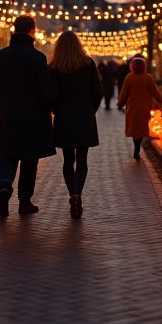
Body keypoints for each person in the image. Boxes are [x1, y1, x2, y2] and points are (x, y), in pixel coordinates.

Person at [0, 15, 56, 218]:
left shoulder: (1, 56)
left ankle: (5, 185)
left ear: (14, 30)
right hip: (34, 118)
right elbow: (45, 90)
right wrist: (49, 106)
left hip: (9, 115)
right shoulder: (38, 58)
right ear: (32, 32)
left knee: (7, 155)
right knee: (29, 160)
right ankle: (25, 202)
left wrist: (7, 102)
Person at [51, 33, 103, 219]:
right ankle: (78, 194)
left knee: (67, 160)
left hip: (64, 116)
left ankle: (71, 192)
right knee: (82, 159)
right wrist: (91, 110)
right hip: (84, 114)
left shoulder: (54, 67)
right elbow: (97, 92)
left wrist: (57, 110)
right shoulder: (87, 64)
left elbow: (51, 94)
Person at [117, 54, 162, 161]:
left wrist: (120, 104)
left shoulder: (129, 77)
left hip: (132, 108)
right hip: (144, 108)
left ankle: (136, 147)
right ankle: (138, 148)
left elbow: (124, 93)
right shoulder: (148, 78)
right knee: (142, 129)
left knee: (135, 130)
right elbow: (155, 93)